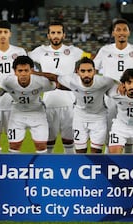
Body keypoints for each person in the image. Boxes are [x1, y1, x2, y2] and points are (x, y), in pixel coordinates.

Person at [94, 18, 133, 153]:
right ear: (113, 33)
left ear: (129, 32)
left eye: (124, 29)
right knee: (110, 137)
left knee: (130, 137)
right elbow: (92, 71)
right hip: (110, 99)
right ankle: (110, 167)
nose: (121, 32)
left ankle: (128, 169)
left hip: (132, 98)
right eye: (118, 30)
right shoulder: (104, 50)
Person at [29, 21, 89, 154]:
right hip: (49, 103)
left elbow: (92, 60)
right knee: (48, 141)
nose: (56, 35)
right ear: (48, 35)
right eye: (53, 33)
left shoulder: (74, 51)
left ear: (64, 35)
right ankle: (47, 170)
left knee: (69, 141)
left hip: (70, 103)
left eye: (58, 33)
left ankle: (71, 167)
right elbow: (20, 59)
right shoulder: (40, 51)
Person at [0, 56, 56, 153]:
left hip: (37, 113)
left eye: (26, 70)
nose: (23, 74)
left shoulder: (41, 81)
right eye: (20, 71)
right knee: (14, 146)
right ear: (15, 71)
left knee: (41, 146)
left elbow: (55, 84)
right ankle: (14, 167)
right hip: (17, 114)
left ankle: (42, 167)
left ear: (31, 70)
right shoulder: (7, 81)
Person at [57, 57, 115, 153]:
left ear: (94, 71)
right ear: (77, 72)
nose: (86, 74)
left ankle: (96, 168)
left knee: (96, 152)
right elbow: (55, 79)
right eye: (83, 71)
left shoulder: (105, 81)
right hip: (79, 118)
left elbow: (119, 86)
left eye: (89, 71)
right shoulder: (71, 81)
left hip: (99, 119)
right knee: (80, 152)